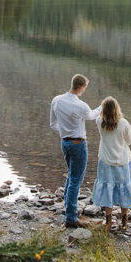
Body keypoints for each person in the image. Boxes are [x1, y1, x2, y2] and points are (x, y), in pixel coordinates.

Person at [49, 74, 100, 228]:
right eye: (85, 87)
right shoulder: (81, 105)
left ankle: (68, 208)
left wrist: (65, 133)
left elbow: (53, 124)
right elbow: (91, 116)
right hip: (78, 144)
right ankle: (71, 218)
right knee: (76, 180)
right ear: (81, 87)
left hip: (64, 143)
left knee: (71, 175)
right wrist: (102, 107)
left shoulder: (56, 100)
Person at [92, 96, 131, 231]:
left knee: (108, 187)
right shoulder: (124, 123)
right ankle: (124, 221)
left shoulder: (99, 121)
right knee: (124, 188)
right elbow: (130, 140)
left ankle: (108, 221)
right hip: (123, 161)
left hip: (105, 161)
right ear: (117, 109)